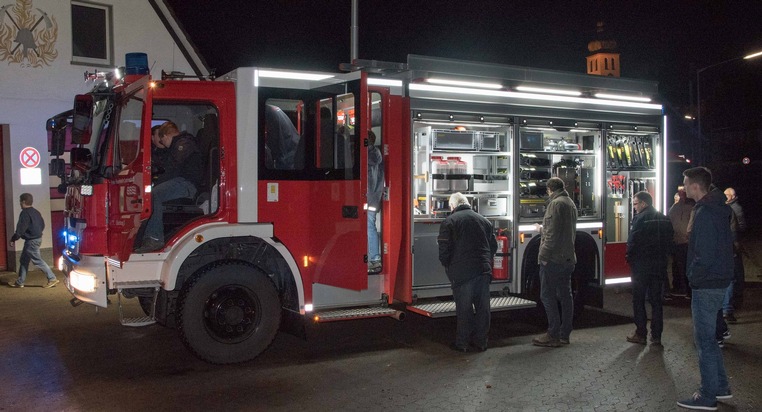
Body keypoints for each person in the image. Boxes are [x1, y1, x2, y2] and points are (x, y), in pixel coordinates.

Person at [677, 167, 734, 411]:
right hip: (717, 280)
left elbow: (705, 254)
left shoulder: (705, 212)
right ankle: (720, 386)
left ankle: (707, 394)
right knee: (710, 339)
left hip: (707, 283)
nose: (683, 187)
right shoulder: (717, 208)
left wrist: (693, 276)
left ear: (696, 186)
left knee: (704, 342)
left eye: (686, 183)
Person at [438, 192, 497, 352]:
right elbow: (494, 247)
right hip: (483, 271)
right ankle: (481, 342)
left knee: (464, 309)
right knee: (483, 308)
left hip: (462, 273)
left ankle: (462, 343)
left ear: (453, 206)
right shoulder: (484, 220)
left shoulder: (450, 221)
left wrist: (449, 266)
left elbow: (444, 251)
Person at [136, 121, 203, 252]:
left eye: (162, 141)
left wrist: (155, 184)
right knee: (152, 192)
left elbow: (173, 171)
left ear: (166, 136)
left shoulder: (182, 146)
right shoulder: (181, 145)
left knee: (154, 195)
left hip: (186, 184)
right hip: (182, 182)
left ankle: (154, 239)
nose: (164, 145)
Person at [532, 177, 577, 348]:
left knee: (547, 295)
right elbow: (561, 229)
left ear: (550, 190)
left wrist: (543, 257)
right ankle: (565, 334)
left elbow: (551, 235)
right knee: (566, 296)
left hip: (554, 259)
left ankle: (553, 334)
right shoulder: (570, 202)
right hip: (567, 257)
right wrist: (541, 229)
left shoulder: (555, 204)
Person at [625, 191, 673, 346]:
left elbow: (633, 241)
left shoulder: (640, 219)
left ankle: (641, 333)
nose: (634, 207)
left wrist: (629, 258)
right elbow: (670, 239)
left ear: (644, 204)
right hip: (659, 266)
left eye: (636, 204)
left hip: (642, 266)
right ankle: (656, 335)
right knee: (656, 302)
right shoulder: (664, 218)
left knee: (638, 300)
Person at [7, 193, 59, 288]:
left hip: (31, 241)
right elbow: (42, 225)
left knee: (37, 260)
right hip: (37, 239)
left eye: (20, 201)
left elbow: (20, 229)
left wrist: (13, 239)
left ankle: (52, 278)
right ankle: (20, 281)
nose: (19, 203)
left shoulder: (25, 213)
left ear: (23, 202)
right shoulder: (36, 212)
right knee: (24, 260)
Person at [722, 187, 745, 323]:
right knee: (732, 277)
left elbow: (737, 228)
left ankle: (728, 307)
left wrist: (736, 243)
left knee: (733, 275)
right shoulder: (729, 209)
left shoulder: (733, 209)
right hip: (729, 248)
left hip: (728, 248)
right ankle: (728, 308)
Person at [668, 188, 695, 297]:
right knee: (678, 266)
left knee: (685, 266)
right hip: (677, 241)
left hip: (687, 242)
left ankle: (688, 289)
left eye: (683, 193)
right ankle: (679, 287)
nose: (681, 195)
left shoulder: (691, 207)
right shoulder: (674, 208)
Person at [367, 130, 384, 273]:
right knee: (369, 227)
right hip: (373, 199)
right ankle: (373, 257)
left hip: (368, 199)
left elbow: (369, 182)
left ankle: (374, 257)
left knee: (369, 227)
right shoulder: (376, 154)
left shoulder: (368, 155)